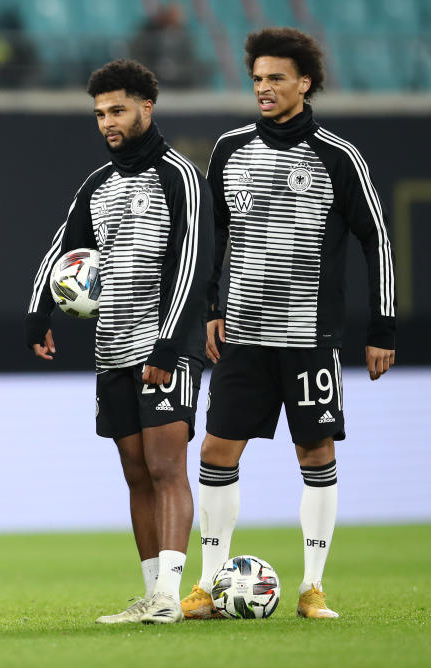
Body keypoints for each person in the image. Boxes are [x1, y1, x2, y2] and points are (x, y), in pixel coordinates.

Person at [180, 28, 396, 621]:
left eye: (276, 78)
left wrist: (383, 328)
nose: (264, 89)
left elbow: (375, 238)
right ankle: (208, 583)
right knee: (218, 448)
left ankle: (312, 588)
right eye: (257, 79)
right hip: (242, 336)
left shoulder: (337, 156)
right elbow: (210, 238)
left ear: (305, 82)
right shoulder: (228, 149)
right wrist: (210, 309)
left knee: (315, 451)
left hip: (310, 338)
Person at [26, 59, 213, 624]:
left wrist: (167, 342)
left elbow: (193, 260)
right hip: (113, 347)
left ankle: (170, 596)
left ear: (146, 108)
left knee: (165, 468)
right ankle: (152, 592)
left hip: (164, 349)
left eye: (118, 110)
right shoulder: (97, 184)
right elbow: (64, 248)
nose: (108, 121)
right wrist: (38, 313)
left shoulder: (178, 174)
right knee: (135, 471)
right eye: (100, 113)